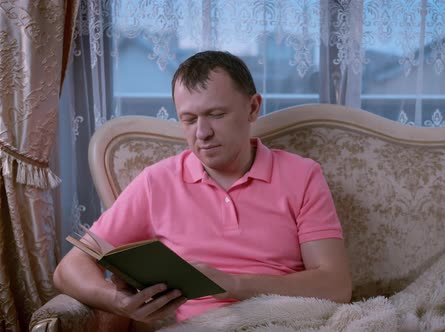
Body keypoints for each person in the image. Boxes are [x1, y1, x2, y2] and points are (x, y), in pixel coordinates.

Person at [53, 50, 352, 324]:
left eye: (216, 115)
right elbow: (69, 268)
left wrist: (232, 284)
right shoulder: (156, 182)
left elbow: (335, 285)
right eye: (189, 119)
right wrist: (118, 301)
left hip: (286, 321)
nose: (203, 133)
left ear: (252, 108)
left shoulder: (302, 175)